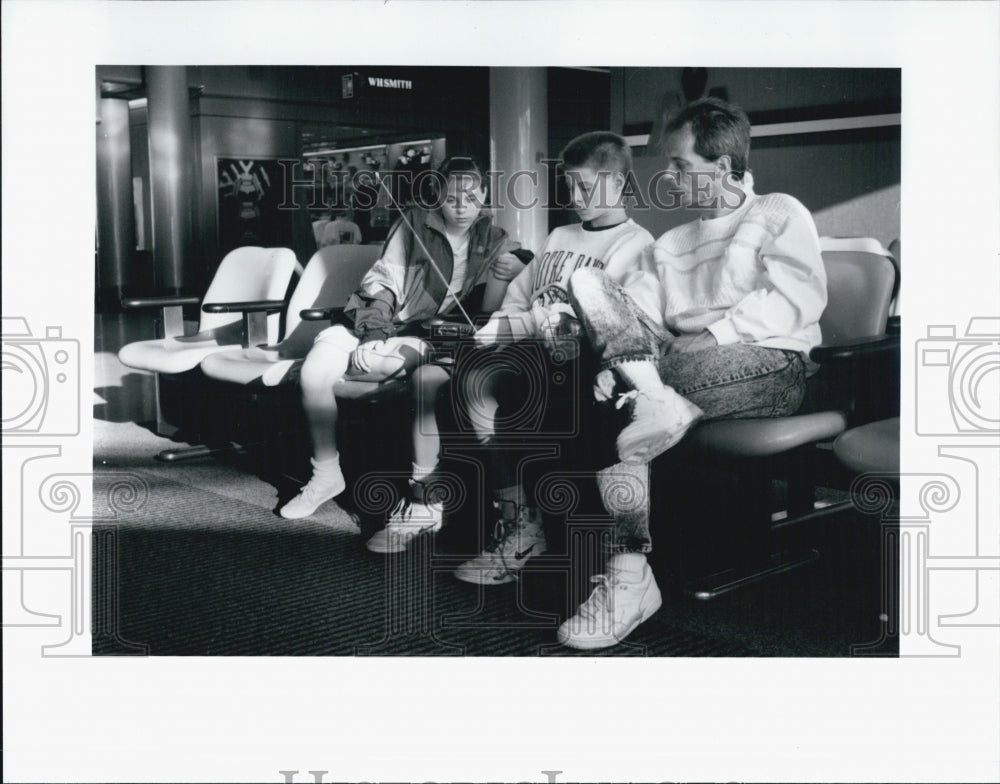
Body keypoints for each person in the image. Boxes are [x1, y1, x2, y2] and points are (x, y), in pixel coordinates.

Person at [557, 97, 828, 649]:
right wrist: (622, 360)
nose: (670, 177)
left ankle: (631, 580)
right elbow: (636, 314)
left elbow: (798, 300)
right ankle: (652, 401)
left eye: (681, 166)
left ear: (722, 168)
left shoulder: (778, 211)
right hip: (675, 367)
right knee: (587, 283)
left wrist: (708, 337)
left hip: (770, 364)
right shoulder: (671, 243)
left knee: (625, 400)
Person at [279, 156, 528, 559]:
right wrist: (372, 335)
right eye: (451, 196)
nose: (461, 205)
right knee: (314, 371)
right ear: (439, 195)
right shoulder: (414, 222)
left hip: (425, 336)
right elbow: (382, 281)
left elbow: (489, 312)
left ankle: (423, 501)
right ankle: (325, 474)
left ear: (485, 196)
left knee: (397, 367)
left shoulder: (497, 242)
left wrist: (510, 270)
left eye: (471, 195)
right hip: (375, 324)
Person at [453, 131, 657, 586]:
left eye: (587, 186)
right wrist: (500, 329)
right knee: (471, 374)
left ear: (621, 183)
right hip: (533, 350)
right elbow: (521, 300)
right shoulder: (559, 234)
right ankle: (521, 523)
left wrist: (523, 327)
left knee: (526, 380)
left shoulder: (636, 244)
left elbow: (610, 325)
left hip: (580, 362)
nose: (576, 196)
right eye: (570, 186)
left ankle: (568, 541)